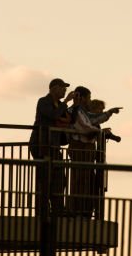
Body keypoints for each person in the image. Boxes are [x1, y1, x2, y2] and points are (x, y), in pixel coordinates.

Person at [67, 87, 121, 217]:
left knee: (87, 179)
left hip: (85, 148)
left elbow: (93, 119)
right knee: (80, 180)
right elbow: (86, 127)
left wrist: (109, 113)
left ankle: (83, 210)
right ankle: (78, 210)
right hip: (80, 148)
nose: (90, 100)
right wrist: (100, 132)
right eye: (89, 97)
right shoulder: (74, 110)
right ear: (82, 97)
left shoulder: (81, 111)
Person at [29, 77, 73, 216]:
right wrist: (65, 103)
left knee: (60, 179)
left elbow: (69, 118)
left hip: (53, 146)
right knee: (44, 180)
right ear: (54, 88)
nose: (65, 91)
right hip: (41, 145)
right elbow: (53, 115)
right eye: (62, 88)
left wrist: (75, 105)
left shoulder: (59, 104)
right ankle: (42, 211)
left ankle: (58, 210)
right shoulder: (44, 102)